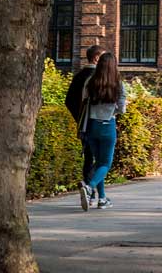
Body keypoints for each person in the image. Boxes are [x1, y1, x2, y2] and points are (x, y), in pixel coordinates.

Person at [78, 53, 126, 211]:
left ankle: (102, 198)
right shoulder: (117, 84)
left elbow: (84, 100)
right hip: (107, 125)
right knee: (105, 163)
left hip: (91, 126)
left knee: (98, 162)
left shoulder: (90, 81)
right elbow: (122, 109)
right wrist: (113, 111)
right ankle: (89, 187)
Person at [65, 45, 102, 208]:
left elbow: (68, 101)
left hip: (83, 124)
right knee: (101, 159)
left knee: (88, 156)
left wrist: (79, 118)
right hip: (98, 122)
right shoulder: (98, 77)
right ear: (96, 58)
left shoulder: (78, 76)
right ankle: (90, 189)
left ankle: (91, 191)